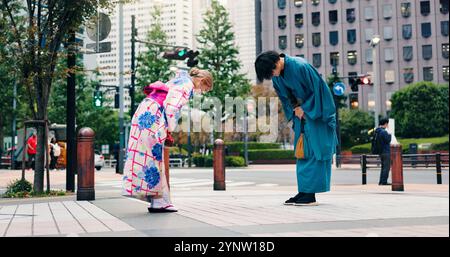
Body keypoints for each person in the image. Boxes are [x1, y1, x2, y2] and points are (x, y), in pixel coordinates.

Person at [122, 68, 213, 213]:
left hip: (146, 111)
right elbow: (171, 109)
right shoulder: (187, 86)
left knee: (147, 157)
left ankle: (159, 200)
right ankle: (159, 201)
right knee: (154, 158)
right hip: (154, 116)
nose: (201, 92)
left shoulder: (179, 80)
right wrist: (169, 129)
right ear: (201, 81)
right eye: (204, 89)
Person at [255, 51, 337, 206]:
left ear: (276, 62)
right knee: (302, 152)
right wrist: (295, 110)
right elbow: (285, 98)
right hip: (301, 117)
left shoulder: (301, 66)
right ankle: (304, 191)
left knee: (315, 152)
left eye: (271, 72)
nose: (272, 75)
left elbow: (319, 91)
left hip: (316, 116)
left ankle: (310, 195)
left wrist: (305, 109)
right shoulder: (278, 77)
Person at [375, 118, 392, 185]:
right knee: (386, 167)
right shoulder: (383, 132)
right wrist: (390, 133)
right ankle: (384, 181)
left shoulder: (377, 131)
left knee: (383, 167)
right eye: (387, 124)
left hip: (380, 151)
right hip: (386, 151)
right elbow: (388, 140)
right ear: (385, 124)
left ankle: (381, 181)